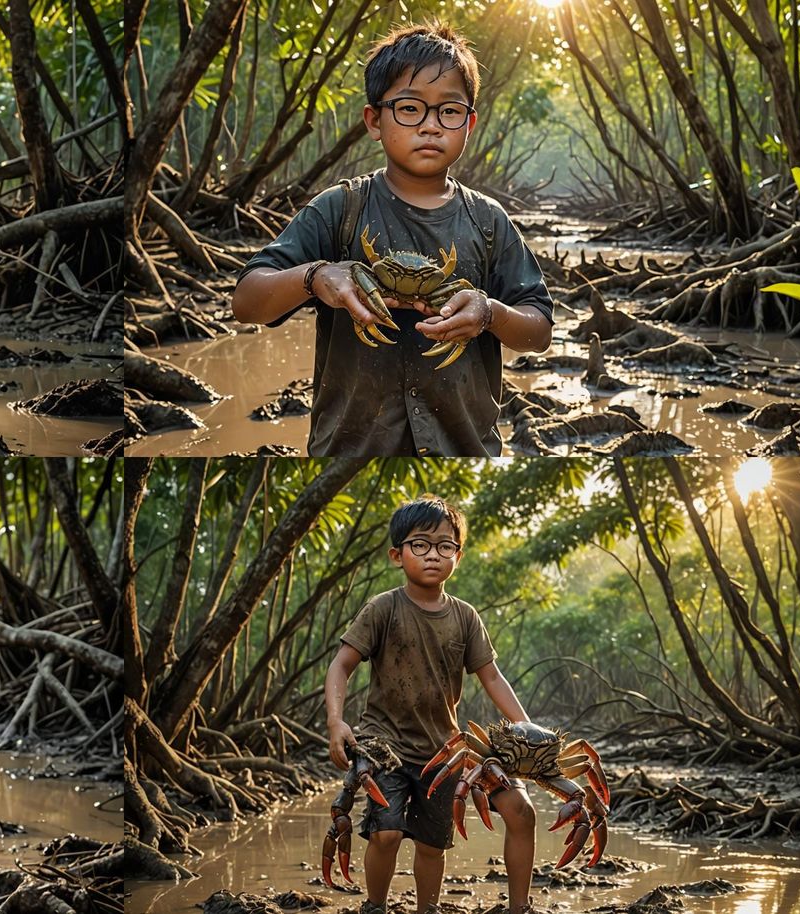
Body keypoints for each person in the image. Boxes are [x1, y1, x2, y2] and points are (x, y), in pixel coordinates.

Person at [231, 23, 554, 456]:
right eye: (409, 108)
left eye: (449, 111)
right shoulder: (340, 210)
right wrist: (316, 276)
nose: (430, 126)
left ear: (469, 123)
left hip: (465, 448)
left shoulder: (488, 221)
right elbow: (247, 301)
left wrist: (488, 312)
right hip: (349, 446)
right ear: (374, 120)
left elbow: (539, 329)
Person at [324, 495, 539, 914]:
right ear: (397, 554)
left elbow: (491, 676)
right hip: (382, 742)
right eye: (420, 545)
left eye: (445, 546)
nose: (433, 555)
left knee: (431, 843)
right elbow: (341, 665)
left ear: (458, 555)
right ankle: (375, 906)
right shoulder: (383, 608)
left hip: (443, 750)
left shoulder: (465, 617)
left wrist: (527, 729)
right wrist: (336, 722)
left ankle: (433, 910)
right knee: (385, 834)